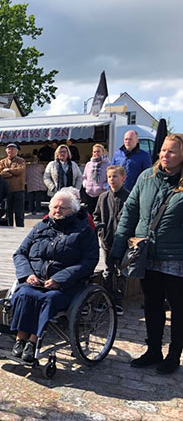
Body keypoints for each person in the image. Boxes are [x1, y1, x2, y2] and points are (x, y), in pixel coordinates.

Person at [111, 134, 183, 374]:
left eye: (171, 151)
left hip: (176, 258)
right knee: (151, 305)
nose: (165, 155)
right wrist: (118, 247)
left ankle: (174, 355)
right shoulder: (146, 178)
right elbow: (129, 213)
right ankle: (153, 350)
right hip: (146, 253)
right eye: (163, 150)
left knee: (178, 308)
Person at [10, 190, 99, 363]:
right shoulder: (40, 227)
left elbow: (89, 261)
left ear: (73, 210)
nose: (57, 211)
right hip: (35, 280)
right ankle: (20, 339)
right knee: (23, 294)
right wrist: (27, 274)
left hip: (66, 285)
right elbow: (20, 253)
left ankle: (33, 341)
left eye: (63, 208)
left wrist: (60, 279)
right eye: (54, 207)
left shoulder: (83, 231)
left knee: (49, 299)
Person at [92, 165, 129, 316]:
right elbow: (96, 216)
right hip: (107, 240)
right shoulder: (103, 197)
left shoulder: (129, 197)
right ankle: (106, 300)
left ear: (123, 178)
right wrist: (100, 232)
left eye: (115, 176)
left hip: (123, 242)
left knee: (121, 272)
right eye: (109, 177)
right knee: (108, 271)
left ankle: (118, 302)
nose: (111, 179)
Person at [0, 143, 26, 227]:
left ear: (16, 151)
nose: (11, 151)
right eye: (9, 149)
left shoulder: (21, 161)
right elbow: (0, 173)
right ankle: (9, 228)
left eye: (13, 149)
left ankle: (20, 228)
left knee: (19, 212)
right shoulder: (2, 162)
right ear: (6, 151)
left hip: (19, 190)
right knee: (8, 212)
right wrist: (12, 173)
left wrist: (8, 170)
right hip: (6, 190)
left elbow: (20, 171)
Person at [81, 144, 110, 214]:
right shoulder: (89, 164)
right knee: (89, 214)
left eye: (98, 151)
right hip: (89, 193)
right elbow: (84, 177)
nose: (96, 153)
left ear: (103, 152)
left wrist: (104, 186)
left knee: (100, 213)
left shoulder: (108, 164)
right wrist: (86, 185)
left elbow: (109, 178)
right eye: (94, 152)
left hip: (101, 193)